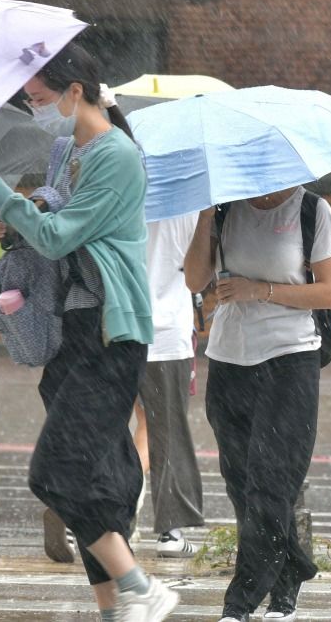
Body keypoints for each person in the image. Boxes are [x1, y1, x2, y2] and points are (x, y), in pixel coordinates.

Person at [0, 42, 178, 621]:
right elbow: (49, 228)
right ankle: (113, 607)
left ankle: (140, 586)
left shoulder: (117, 155)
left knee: (55, 472)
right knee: (99, 476)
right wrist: (8, 224)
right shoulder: (65, 151)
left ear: (75, 91)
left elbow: (59, 236)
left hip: (111, 331)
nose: (35, 108)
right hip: (71, 327)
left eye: (39, 98)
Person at [184, 185, 331, 622]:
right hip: (229, 358)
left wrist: (260, 290)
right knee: (242, 484)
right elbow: (194, 281)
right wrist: (204, 217)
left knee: (271, 481)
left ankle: (240, 601)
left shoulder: (311, 210)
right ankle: (289, 576)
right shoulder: (224, 210)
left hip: (290, 357)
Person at [134, 213, 204, 558]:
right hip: (169, 331)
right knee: (168, 430)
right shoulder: (193, 203)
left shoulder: (118, 189)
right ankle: (170, 531)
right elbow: (202, 270)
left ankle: (102, 513)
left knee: (110, 427)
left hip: (119, 323)